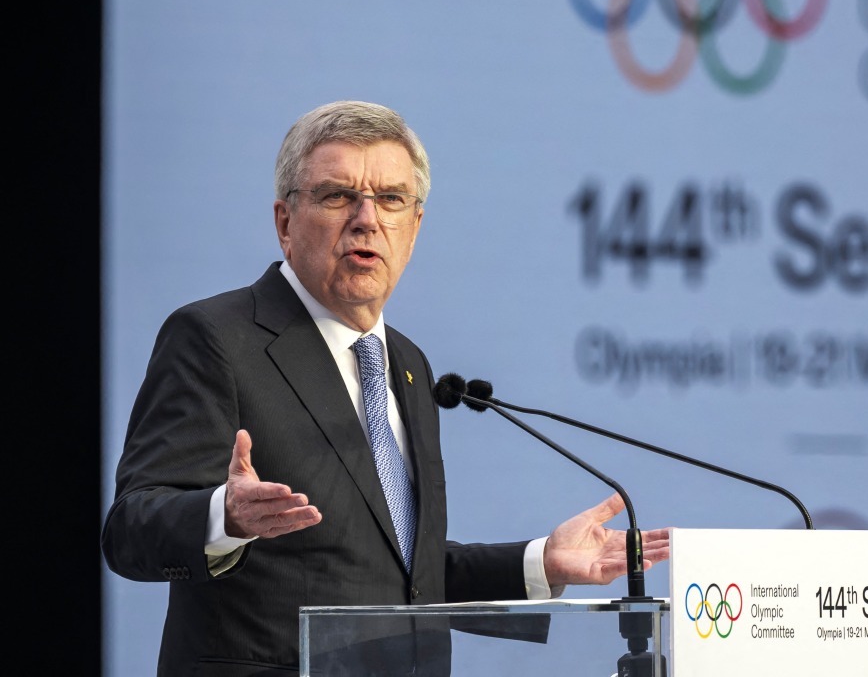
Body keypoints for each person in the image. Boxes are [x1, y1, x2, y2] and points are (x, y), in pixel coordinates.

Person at [101, 100, 670, 676]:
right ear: (285, 223)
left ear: (414, 227)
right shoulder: (215, 339)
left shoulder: (407, 364)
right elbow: (130, 530)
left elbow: (399, 576)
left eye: (391, 199)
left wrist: (541, 564)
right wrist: (225, 516)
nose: (367, 219)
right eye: (337, 195)